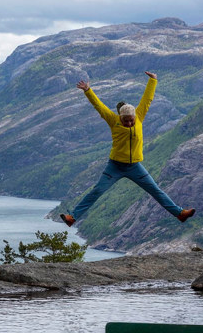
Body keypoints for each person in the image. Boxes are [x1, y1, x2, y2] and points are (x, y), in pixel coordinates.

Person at [60, 71, 195, 227]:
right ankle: (73, 217)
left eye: (131, 121)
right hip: (115, 166)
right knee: (97, 190)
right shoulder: (113, 120)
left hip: (135, 166)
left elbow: (147, 100)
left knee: (156, 190)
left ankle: (180, 214)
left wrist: (153, 81)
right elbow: (99, 106)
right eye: (126, 121)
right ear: (120, 117)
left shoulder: (139, 116)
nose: (130, 123)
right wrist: (88, 91)